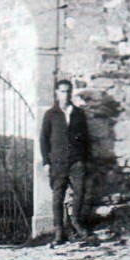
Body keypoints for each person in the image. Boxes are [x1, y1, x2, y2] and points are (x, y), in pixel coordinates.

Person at [40, 79, 90, 244]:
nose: (66, 94)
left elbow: (86, 138)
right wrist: (46, 162)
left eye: (68, 91)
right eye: (62, 91)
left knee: (80, 191)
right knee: (57, 196)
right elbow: (43, 140)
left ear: (71, 92)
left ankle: (75, 222)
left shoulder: (78, 113)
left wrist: (85, 159)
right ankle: (59, 232)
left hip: (76, 161)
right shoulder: (50, 114)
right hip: (58, 162)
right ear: (57, 93)